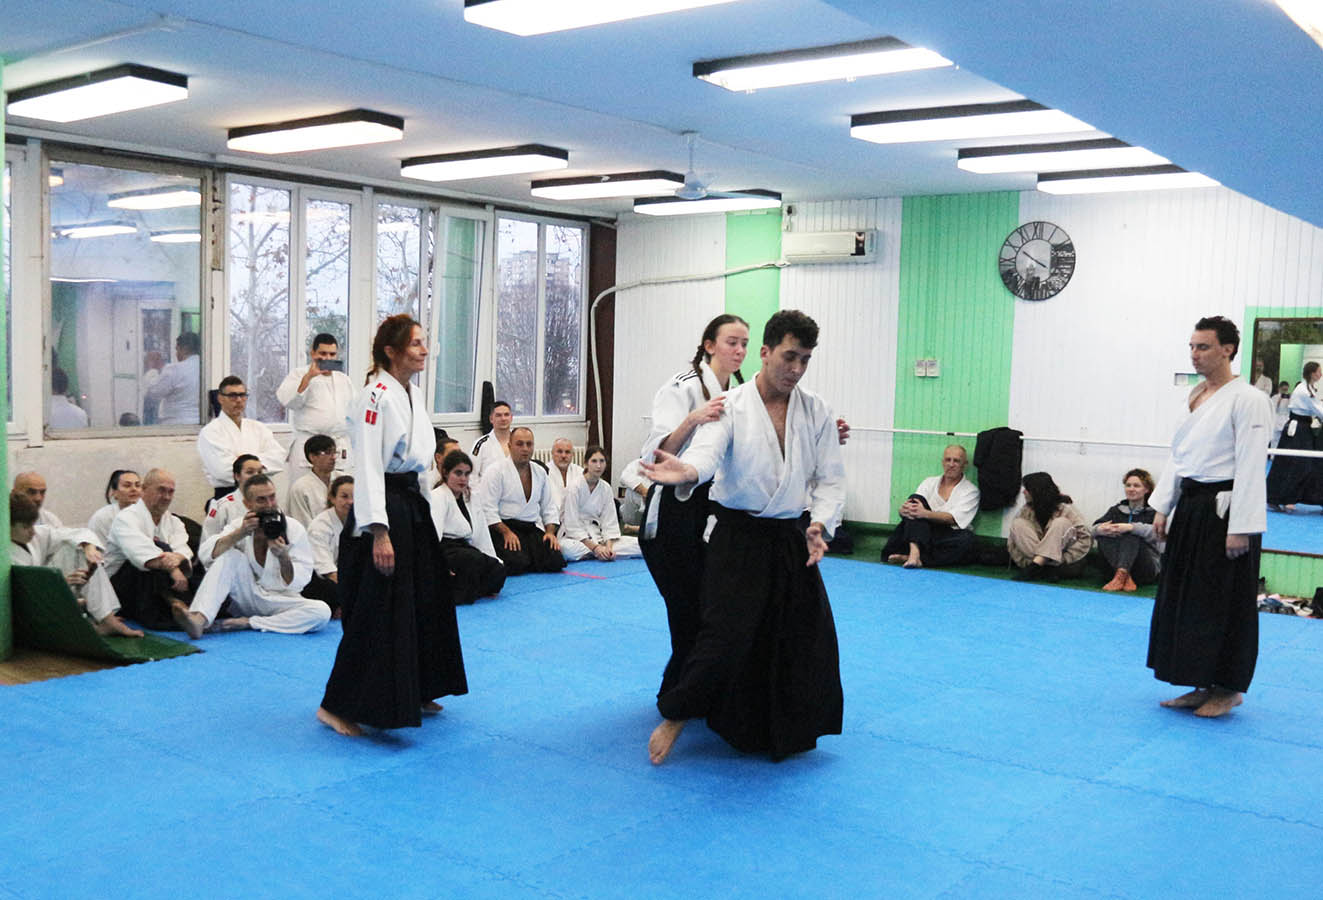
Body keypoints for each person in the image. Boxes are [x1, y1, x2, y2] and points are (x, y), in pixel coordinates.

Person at [641, 309, 846, 765]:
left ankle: (786, 729)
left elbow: (830, 478)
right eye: (789, 357)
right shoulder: (730, 406)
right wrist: (686, 471)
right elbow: (707, 455)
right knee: (724, 633)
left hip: (789, 535)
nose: (796, 369)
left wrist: (820, 523)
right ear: (766, 353)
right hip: (737, 535)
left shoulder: (816, 410)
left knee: (804, 634)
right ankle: (676, 715)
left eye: (805, 360)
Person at [318, 314, 467, 737]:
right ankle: (336, 704)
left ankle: (417, 687)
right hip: (383, 507)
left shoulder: (412, 394)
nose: (424, 350)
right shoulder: (374, 396)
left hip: (411, 504)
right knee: (378, 607)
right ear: (391, 350)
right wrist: (378, 531)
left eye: (424, 342)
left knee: (424, 599)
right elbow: (367, 465)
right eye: (415, 343)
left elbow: (421, 466)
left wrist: (427, 519)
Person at [1148, 316, 1272, 718]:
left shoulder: (1248, 399)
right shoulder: (1197, 395)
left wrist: (1242, 528)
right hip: (1192, 505)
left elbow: (1251, 464)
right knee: (1190, 600)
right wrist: (1163, 505)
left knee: (1224, 601)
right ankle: (1200, 683)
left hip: (1227, 511)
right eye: (1192, 346)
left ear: (1227, 350)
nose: (1194, 354)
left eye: (1203, 347)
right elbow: (1181, 456)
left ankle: (1229, 688)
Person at [639, 313, 749, 699]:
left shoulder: (739, 394)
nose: (739, 350)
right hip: (671, 512)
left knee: (713, 609)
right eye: (731, 342)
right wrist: (692, 419)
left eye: (744, 344)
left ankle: (699, 690)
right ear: (709, 345)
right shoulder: (682, 386)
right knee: (686, 609)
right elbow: (653, 455)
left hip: (712, 512)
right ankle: (677, 695)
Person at [171, 474, 330, 639]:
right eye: (261, 500)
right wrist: (239, 533)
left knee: (321, 612)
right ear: (247, 504)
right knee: (229, 556)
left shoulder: (294, 529)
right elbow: (206, 555)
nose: (269, 504)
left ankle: (249, 622)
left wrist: (283, 557)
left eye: (272, 497)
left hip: (281, 601)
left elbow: (300, 582)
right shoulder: (241, 525)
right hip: (246, 597)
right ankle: (199, 619)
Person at [11, 491, 142, 637]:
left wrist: (89, 548)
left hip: (47, 595)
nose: (33, 532)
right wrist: (60, 585)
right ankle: (74, 607)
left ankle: (107, 619)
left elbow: (78, 533)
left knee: (77, 547)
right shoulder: (6, 554)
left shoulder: (37, 534)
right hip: (24, 614)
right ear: (6, 527)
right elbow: (23, 595)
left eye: (32, 525)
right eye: (26, 527)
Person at [104, 469, 199, 629]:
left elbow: (182, 550)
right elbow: (141, 555)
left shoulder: (174, 521)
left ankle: (192, 609)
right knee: (158, 549)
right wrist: (173, 569)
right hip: (122, 586)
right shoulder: (126, 518)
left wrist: (177, 559)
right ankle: (177, 604)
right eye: (161, 490)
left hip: (163, 580)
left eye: (170, 492)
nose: (166, 497)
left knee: (196, 560)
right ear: (144, 489)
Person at [477, 426, 566, 574]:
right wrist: (506, 532)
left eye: (529, 444)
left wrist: (550, 532)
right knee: (517, 564)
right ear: (509, 446)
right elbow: (487, 509)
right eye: (519, 444)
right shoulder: (495, 471)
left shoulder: (540, 472)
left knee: (556, 561)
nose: (525, 449)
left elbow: (549, 506)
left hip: (530, 528)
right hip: (503, 528)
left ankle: (529, 557)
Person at [881, 444, 979, 569]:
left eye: (956, 461)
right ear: (942, 462)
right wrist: (903, 511)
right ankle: (915, 553)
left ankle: (911, 557)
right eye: (948, 460)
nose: (951, 464)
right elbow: (914, 509)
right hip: (922, 530)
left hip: (947, 534)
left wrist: (925, 514)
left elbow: (952, 519)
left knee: (968, 541)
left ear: (964, 464)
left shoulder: (971, 491)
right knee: (915, 499)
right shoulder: (929, 482)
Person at [430, 450, 506, 605]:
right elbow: (432, 537)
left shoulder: (471, 497)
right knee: (472, 560)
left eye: (466, 474)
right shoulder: (437, 496)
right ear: (445, 473)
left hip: (465, 549)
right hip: (445, 550)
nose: (463, 479)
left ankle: (467, 589)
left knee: (498, 569)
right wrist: (440, 565)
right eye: (458, 473)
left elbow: (482, 534)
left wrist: (493, 559)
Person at [197, 375, 286, 505]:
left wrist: (242, 463)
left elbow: (278, 459)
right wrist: (260, 466)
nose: (238, 400)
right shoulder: (210, 432)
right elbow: (223, 471)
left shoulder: (258, 427)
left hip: (263, 495)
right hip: (227, 496)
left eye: (242, 395)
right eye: (232, 396)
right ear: (220, 398)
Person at [276, 333, 354, 480]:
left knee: (339, 490)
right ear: (312, 353)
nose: (327, 358)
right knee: (304, 489)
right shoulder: (299, 374)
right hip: (309, 444)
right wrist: (308, 378)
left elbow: (353, 411)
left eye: (332, 354)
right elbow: (289, 402)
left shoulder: (344, 380)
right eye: (322, 353)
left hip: (337, 445)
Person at [560, 446, 641, 562]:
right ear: (586, 463)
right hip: (576, 538)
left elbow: (609, 521)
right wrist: (595, 548)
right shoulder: (574, 487)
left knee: (638, 544)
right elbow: (571, 524)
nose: (598, 466)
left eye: (602, 461)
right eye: (594, 461)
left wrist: (608, 547)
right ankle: (597, 552)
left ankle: (599, 553)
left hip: (598, 536)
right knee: (566, 550)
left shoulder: (606, 488)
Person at [1008, 472, 1093, 581]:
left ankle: (1036, 567)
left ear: (1037, 491)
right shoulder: (1026, 510)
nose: (1023, 492)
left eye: (1027, 489)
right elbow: (1014, 541)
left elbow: (1085, 539)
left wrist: (1063, 558)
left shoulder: (1066, 509)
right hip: (1032, 559)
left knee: (1060, 523)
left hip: (1062, 561)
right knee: (1018, 524)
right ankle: (1040, 566)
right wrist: (1023, 560)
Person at [1266, 361, 1323, 511]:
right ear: (1312, 373)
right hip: (1298, 430)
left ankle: (1287, 498)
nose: (1321, 374)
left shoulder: (1309, 388)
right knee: (1295, 464)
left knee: (1302, 464)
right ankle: (1279, 498)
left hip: (1304, 428)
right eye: (1319, 372)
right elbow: (1318, 409)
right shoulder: (1304, 391)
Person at [1092, 468, 1162, 592]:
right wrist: (1100, 529)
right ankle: (1124, 577)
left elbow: (1159, 535)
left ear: (1146, 489)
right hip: (1112, 569)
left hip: (1144, 568)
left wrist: (1131, 527)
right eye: (1128, 485)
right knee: (1104, 535)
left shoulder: (1154, 513)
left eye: (1136, 486)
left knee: (1131, 534)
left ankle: (1122, 574)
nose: (1131, 489)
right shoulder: (1115, 510)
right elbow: (1093, 530)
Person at [304, 475, 353, 616]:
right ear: (332, 498)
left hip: (346, 578)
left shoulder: (360, 523)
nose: (351, 502)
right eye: (344, 496)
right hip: (321, 581)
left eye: (355, 497)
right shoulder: (319, 527)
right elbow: (328, 572)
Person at [201, 455, 265, 542]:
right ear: (237, 476)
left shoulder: (269, 503)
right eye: (250, 472)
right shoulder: (222, 506)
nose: (257, 476)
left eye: (260, 472)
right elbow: (207, 543)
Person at [143, 331, 200, 425]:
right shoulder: (206, 369)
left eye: (177, 350)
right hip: (200, 422)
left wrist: (151, 369)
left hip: (176, 423)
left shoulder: (175, 369)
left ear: (184, 349)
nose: (176, 354)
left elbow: (154, 392)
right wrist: (162, 370)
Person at [285, 434, 338, 527]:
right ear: (312, 457)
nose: (333, 457)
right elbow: (301, 522)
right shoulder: (300, 487)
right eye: (327, 453)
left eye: (334, 453)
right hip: (314, 533)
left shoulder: (343, 479)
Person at [88, 470, 143, 546]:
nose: (134, 489)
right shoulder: (102, 518)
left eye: (138, 485)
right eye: (127, 485)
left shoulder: (150, 513)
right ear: (114, 492)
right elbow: (97, 548)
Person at [470, 400, 513, 487]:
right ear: (491, 419)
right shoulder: (481, 444)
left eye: (506, 415)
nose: (503, 418)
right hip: (488, 492)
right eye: (498, 415)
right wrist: (478, 494)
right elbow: (472, 475)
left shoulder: (519, 442)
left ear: (511, 418)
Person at [546, 437, 583, 518]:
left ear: (572, 455)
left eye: (567, 452)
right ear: (552, 453)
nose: (563, 456)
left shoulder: (580, 472)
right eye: (559, 451)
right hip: (551, 519)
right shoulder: (544, 472)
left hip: (575, 518)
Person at [616, 458, 652, 531]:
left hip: (656, 516)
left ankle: (635, 529)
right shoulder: (640, 463)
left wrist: (652, 496)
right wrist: (644, 492)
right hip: (634, 516)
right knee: (631, 490)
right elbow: (624, 477)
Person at [1271, 380, 1292, 447]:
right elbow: (1273, 409)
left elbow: (1291, 409)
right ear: (1279, 389)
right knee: (1275, 440)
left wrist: (1290, 399)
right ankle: (1273, 453)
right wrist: (1279, 400)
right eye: (1283, 389)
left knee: (1286, 441)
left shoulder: (1289, 398)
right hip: (1277, 420)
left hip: (1286, 419)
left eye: (1286, 390)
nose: (1285, 391)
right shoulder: (1275, 397)